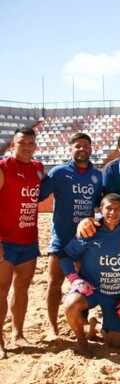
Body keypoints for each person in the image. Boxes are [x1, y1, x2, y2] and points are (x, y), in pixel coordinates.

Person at [38, 132, 103, 341]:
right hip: (61, 238)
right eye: (77, 145)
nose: (82, 149)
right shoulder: (58, 172)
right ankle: (52, 327)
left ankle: (83, 321)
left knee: (83, 283)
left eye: (86, 145)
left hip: (85, 239)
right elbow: (38, 194)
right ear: (70, 149)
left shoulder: (97, 175)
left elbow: (100, 204)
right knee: (54, 282)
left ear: (91, 149)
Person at [60, 194, 120, 357]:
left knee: (118, 343)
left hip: (114, 295)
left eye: (117, 209)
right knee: (71, 304)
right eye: (108, 208)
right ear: (100, 209)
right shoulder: (90, 231)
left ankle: (95, 326)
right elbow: (65, 256)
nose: (112, 212)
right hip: (90, 291)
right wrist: (74, 279)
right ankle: (81, 340)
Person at [0, 127, 44, 358]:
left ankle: (17, 333)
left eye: (30, 143)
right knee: (1, 290)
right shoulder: (4, 168)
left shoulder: (37, 168)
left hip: (29, 238)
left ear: (35, 146)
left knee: (22, 290)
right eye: (21, 143)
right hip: (4, 240)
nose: (26, 147)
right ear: (12, 145)